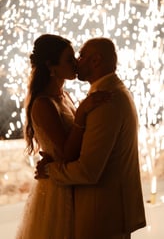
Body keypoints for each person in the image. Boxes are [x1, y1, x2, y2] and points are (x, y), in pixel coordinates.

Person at [36, 37, 146, 239]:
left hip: (100, 216)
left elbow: (88, 171)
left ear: (95, 60)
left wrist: (49, 169)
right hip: (104, 213)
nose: (77, 61)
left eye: (81, 55)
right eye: (71, 58)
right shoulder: (111, 93)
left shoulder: (105, 100)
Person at [16, 34, 111, 239]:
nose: (76, 62)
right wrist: (83, 111)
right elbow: (67, 153)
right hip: (58, 191)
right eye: (69, 59)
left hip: (70, 182)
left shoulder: (64, 96)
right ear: (52, 66)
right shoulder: (44, 104)